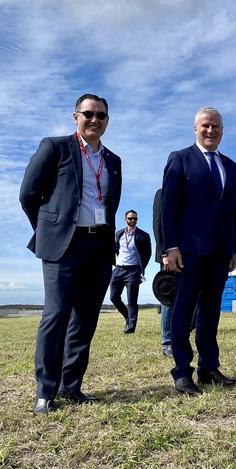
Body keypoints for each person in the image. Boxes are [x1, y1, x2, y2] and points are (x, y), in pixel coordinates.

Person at [19, 94, 122, 415]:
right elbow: (28, 194)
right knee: (57, 314)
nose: (95, 120)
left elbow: (111, 204)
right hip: (63, 244)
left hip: (98, 246)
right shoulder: (55, 147)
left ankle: (71, 385)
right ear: (76, 116)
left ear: (107, 121)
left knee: (86, 318)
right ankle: (45, 391)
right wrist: (51, 227)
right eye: (89, 114)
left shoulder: (113, 161)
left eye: (101, 116)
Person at [162, 107, 236, 395]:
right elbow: (168, 207)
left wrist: (233, 247)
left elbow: (233, 209)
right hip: (188, 250)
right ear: (195, 128)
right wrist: (170, 247)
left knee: (211, 311)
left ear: (222, 130)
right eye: (206, 126)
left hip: (220, 251)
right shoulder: (180, 159)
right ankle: (182, 370)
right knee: (182, 311)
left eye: (216, 126)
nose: (211, 131)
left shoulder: (230, 166)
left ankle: (209, 366)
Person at [110, 210, 152, 334]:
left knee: (131, 300)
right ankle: (128, 317)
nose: (132, 221)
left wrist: (141, 268)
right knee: (113, 297)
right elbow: (116, 248)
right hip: (118, 269)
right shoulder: (118, 234)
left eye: (135, 219)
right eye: (130, 218)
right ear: (125, 219)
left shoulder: (143, 235)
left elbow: (147, 253)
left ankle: (130, 327)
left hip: (133, 270)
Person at [152, 189, 173, 357]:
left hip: (189, 252)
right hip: (169, 256)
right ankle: (167, 342)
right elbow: (157, 224)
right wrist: (164, 254)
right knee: (168, 299)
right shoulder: (162, 193)